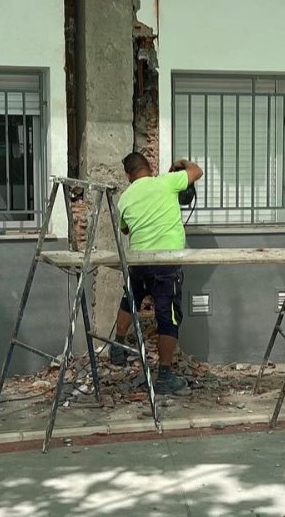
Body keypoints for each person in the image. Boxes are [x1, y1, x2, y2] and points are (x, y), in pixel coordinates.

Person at [108, 152, 202, 395]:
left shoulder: (125, 198)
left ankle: (117, 347)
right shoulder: (166, 182)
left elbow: (126, 230)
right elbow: (197, 172)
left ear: (128, 175)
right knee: (166, 318)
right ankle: (165, 376)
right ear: (149, 168)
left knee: (130, 300)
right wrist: (181, 164)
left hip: (138, 262)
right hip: (165, 263)